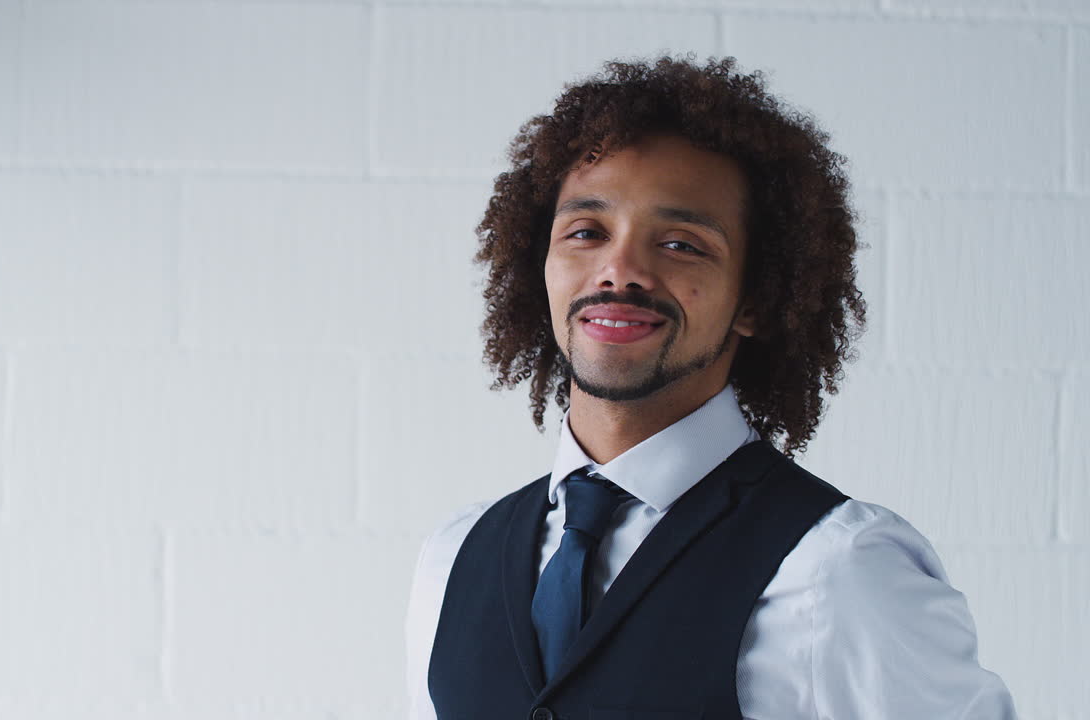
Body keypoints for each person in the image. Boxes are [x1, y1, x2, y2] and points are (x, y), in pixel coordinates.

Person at [404, 55, 1016, 719]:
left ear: (755, 300)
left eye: (682, 244)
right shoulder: (454, 557)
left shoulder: (840, 571)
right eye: (586, 232)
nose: (620, 269)